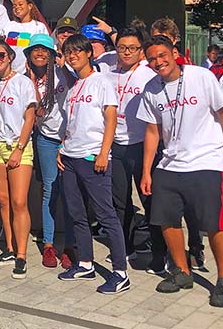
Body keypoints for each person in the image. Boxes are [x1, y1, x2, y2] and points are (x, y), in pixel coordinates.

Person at [137, 35, 223, 307]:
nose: (158, 62)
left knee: (214, 224)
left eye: (162, 55)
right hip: (169, 164)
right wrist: (147, 171)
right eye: (152, 58)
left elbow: (222, 112)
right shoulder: (151, 89)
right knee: (166, 220)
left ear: (174, 53)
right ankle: (182, 271)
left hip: (207, 161)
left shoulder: (201, 77)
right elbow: (152, 131)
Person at [57, 34, 130, 294]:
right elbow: (72, 122)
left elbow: (111, 119)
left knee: (106, 215)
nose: (73, 55)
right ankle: (85, 263)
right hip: (71, 157)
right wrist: (62, 147)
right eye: (68, 52)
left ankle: (121, 273)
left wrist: (103, 152)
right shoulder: (75, 86)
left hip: (93, 158)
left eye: (77, 51)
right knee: (77, 214)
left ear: (89, 53)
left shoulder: (102, 81)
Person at [103, 29, 160, 264]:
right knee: (120, 201)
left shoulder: (149, 74)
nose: (126, 52)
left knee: (151, 200)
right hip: (117, 145)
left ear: (141, 51)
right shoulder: (107, 74)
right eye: (122, 47)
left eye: (133, 48)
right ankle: (125, 247)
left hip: (143, 145)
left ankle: (160, 252)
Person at [0, 39, 35, 278]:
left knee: (19, 202)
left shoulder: (23, 82)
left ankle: (22, 255)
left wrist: (19, 148)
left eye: (0, 55)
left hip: (17, 145)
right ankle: (10, 248)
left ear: (10, 56)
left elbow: (30, 117)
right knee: (3, 201)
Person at [24, 34, 74, 270]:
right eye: (35, 50)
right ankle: (49, 244)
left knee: (71, 192)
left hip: (70, 140)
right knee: (50, 190)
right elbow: (37, 112)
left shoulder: (64, 73)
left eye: (45, 50)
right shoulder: (27, 80)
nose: (40, 54)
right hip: (45, 140)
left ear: (53, 54)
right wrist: (33, 81)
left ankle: (70, 246)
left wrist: (66, 142)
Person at [2, 0, 49, 73]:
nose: (17, 7)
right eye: (14, 6)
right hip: (10, 71)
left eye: (20, 4)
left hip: (29, 71)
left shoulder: (39, 26)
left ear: (30, 6)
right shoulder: (9, 25)